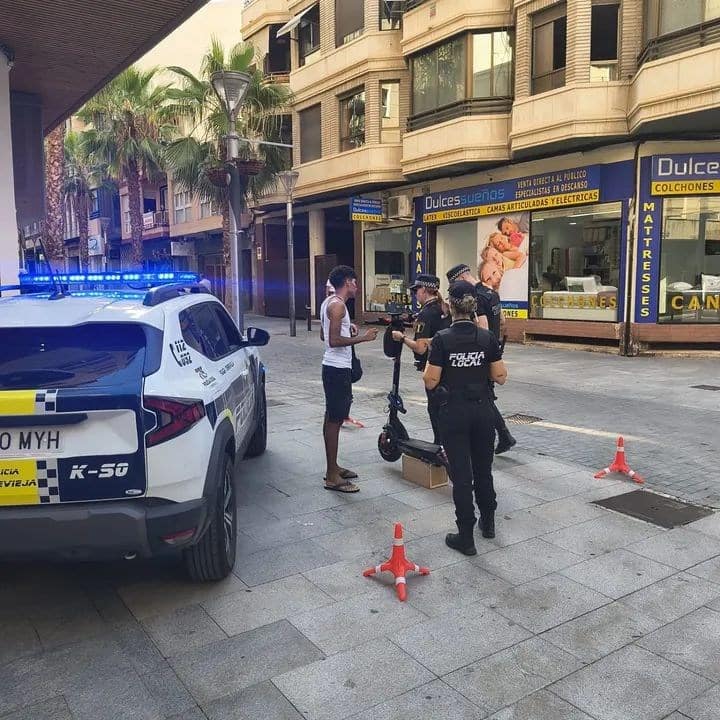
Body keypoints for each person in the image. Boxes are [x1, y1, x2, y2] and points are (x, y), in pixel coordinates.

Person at [423, 280, 508, 555]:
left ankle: (466, 537)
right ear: (473, 307)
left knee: (461, 476)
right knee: (484, 470)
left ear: (450, 305)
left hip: (454, 412)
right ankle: (489, 522)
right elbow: (500, 376)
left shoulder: (442, 339)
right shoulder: (487, 338)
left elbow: (430, 380)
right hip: (483, 411)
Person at [446, 263, 516, 454]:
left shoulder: (474, 297)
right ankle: (504, 436)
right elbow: (502, 322)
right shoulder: (491, 293)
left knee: (483, 397)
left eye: (454, 284)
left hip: (481, 352)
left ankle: (504, 435)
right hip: (493, 349)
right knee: (486, 396)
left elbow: (482, 327)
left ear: (461, 278)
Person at [319, 265, 378, 492]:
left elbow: (324, 335)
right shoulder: (338, 306)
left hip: (333, 368)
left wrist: (348, 330)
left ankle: (333, 467)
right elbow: (332, 340)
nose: (357, 286)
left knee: (332, 417)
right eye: (354, 282)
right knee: (335, 421)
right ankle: (332, 476)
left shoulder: (329, 302)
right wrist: (363, 338)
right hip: (337, 369)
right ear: (347, 282)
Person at [391, 273, 449, 445]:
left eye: (416, 291)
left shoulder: (425, 314)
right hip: (448, 366)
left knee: (435, 408)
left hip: (433, 366)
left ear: (424, 290)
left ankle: (440, 445)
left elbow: (420, 347)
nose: (415, 294)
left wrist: (402, 338)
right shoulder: (444, 309)